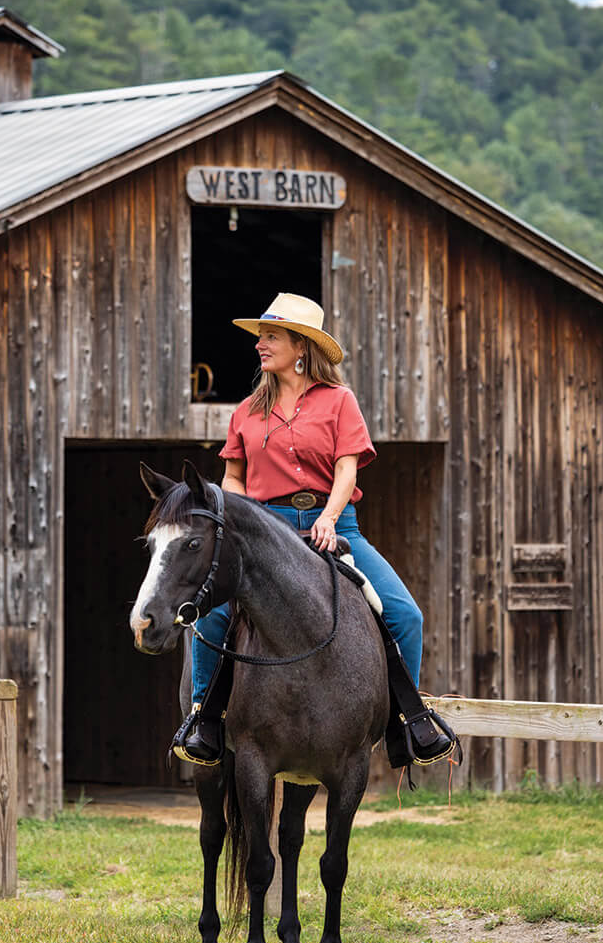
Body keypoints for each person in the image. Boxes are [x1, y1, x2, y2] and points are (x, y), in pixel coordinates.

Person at [175, 292, 454, 767]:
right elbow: (234, 477)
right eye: (260, 337)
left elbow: (348, 469)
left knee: (406, 616)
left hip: (336, 526)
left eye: (272, 337)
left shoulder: (339, 402)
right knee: (212, 615)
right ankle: (204, 718)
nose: (261, 345)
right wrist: (240, 515)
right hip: (267, 531)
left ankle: (406, 721)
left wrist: (327, 516)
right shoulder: (246, 411)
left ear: (301, 347)